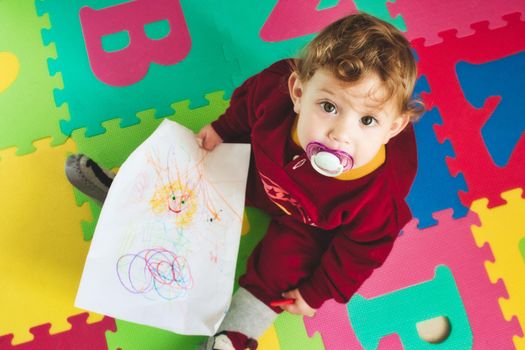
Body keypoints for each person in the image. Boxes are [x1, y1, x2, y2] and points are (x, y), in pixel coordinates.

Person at [66, 13, 423, 350]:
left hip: (310, 222)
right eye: (329, 107)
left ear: (393, 127)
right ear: (298, 93)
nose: (340, 135)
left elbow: (364, 250)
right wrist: (225, 127)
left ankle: (234, 334)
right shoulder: (275, 94)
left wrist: (319, 291)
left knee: (281, 270)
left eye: (368, 122)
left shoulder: (378, 196)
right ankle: (131, 192)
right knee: (198, 165)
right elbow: (248, 104)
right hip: (261, 167)